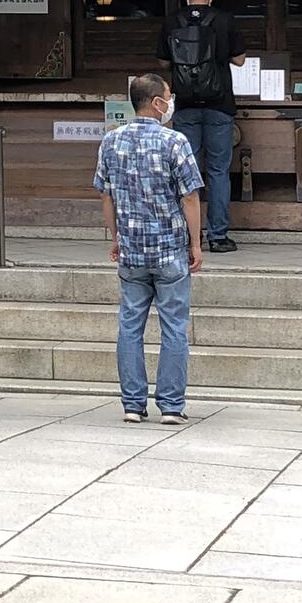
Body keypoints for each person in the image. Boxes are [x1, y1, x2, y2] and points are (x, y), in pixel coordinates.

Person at [93, 69, 203, 424]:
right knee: (174, 326)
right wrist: (196, 243)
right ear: (157, 102)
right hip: (170, 248)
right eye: (168, 96)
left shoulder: (111, 141)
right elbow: (190, 197)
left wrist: (115, 238)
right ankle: (171, 405)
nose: (171, 102)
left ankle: (132, 404)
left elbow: (106, 197)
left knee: (129, 326)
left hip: (132, 250)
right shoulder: (176, 142)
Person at [167, 0, 238, 252]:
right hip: (220, 105)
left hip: (185, 105)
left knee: (187, 171)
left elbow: (162, 59)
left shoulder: (173, 20)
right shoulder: (224, 19)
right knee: (219, 171)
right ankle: (218, 236)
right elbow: (241, 58)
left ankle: (188, 236)